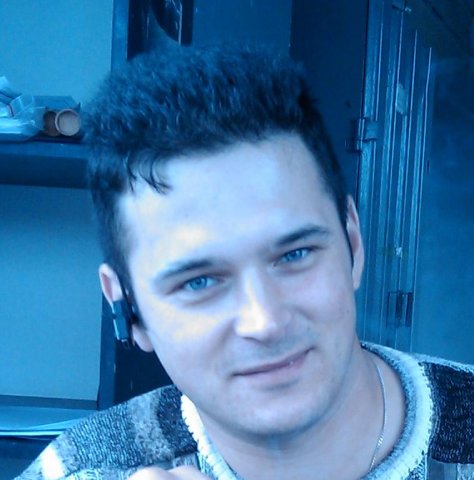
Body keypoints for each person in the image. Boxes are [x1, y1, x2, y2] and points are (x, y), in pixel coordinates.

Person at [17, 44, 474, 480]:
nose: (265, 322)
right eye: (198, 282)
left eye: (295, 255)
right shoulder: (77, 469)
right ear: (126, 308)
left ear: (353, 243)